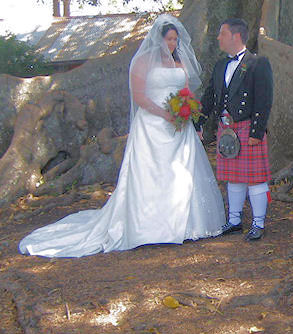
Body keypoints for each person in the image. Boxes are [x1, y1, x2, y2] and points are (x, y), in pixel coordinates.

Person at [19, 15, 226, 257]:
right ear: (158, 39)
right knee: (151, 173)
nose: (172, 44)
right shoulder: (142, 63)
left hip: (179, 127)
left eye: (175, 40)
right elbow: (139, 97)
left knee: (182, 172)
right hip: (152, 125)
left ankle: (189, 225)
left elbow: (186, 91)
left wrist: (186, 111)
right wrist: (164, 114)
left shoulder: (178, 62)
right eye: (169, 39)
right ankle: (150, 227)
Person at [196, 18, 273, 241]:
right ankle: (235, 220)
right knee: (233, 177)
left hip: (248, 127)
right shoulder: (221, 65)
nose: (218, 37)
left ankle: (258, 223)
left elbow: (264, 100)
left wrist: (256, 133)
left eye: (222, 33)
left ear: (235, 36)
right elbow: (210, 96)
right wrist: (198, 120)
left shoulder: (259, 63)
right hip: (226, 128)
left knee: (256, 178)